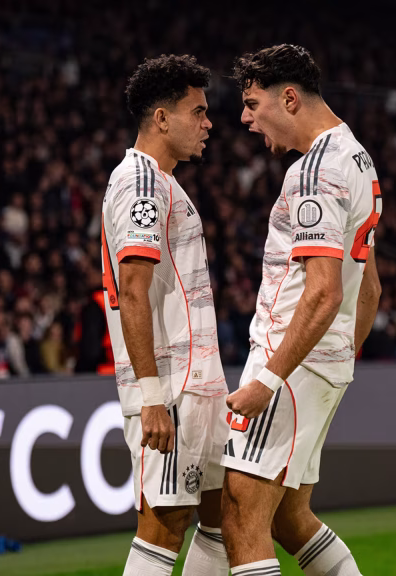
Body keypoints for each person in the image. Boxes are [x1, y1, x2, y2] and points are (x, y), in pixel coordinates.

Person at [220, 44, 382, 576]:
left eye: (251, 103)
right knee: (290, 516)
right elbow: (370, 288)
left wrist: (270, 378)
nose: (244, 118)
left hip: (289, 365)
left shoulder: (314, 172)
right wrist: (338, 359)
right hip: (321, 362)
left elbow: (323, 292)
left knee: (242, 510)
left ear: (288, 98)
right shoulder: (357, 157)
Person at [100, 54, 229, 575]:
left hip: (194, 385)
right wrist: (152, 396)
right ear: (161, 118)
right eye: (197, 112)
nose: (208, 123)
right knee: (163, 527)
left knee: (226, 521)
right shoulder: (142, 184)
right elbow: (133, 289)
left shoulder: (164, 182)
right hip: (170, 389)